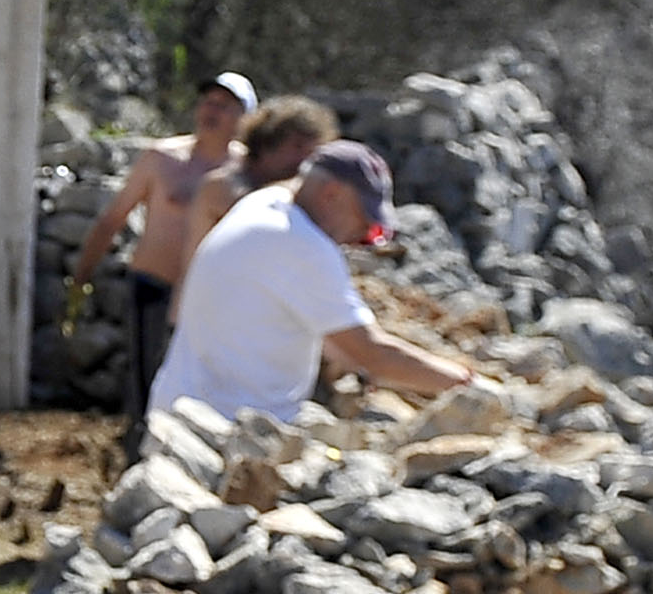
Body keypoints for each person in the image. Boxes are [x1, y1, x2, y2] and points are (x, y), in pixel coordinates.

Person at [148, 141, 472, 425]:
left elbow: (332, 337)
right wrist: (462, 382)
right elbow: (373, 354)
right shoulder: (302, 244)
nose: (361, 240)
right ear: (332, 194)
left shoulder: (265, 203)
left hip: (182, 415)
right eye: (367, 225)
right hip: (225, 431)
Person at [69, 72, 254, 421]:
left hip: (209, 297)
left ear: (242, 118)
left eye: (224, 105)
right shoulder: (162, 159)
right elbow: (114, 218)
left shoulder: (244, 173)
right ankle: (136, 455)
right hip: (153, 288)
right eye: (208, 101)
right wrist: (82, 276)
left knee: (196, 386)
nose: (211, 111)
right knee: (145, 381)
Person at [178, 94, 339, 274]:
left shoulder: (302, 197)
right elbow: (193, 266)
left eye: (314, 150)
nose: (306, 159)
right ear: (267, 144)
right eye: (298, 146)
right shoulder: (222, 188)